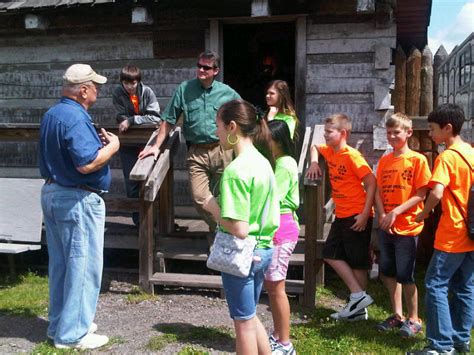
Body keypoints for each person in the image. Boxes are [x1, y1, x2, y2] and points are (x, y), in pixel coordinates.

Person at [39, 64, 120, 349]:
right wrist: (112, 147)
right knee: (83, 265)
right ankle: (73, 334)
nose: (97, 90)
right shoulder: (75, 117)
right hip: (77, 198)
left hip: (53, 192)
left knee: (61, 264)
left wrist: (96, 147)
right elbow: (86, 163)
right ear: (83, 90)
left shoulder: (53, 114)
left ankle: (60, 323)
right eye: (95, 86)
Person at [203, 99, 280, 354]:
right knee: (249, 314)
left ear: (232, 127)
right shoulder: (263, 162)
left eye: (218, 126)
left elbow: (239, 229)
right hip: (264, 250)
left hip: (243, 253)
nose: (216, 132)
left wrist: (214, 209)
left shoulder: (236, 171)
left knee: (243, 323)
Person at [139, 50, 240, 234]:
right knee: (199, 196)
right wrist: (156, 146)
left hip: (222, 150)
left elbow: (244, 116)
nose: (201, 70)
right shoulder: (184, 89)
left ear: (215, 70)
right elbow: (169, 119)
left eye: (206, 67)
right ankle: (222, 231)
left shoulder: (227, 92)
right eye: (199, 66)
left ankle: (220, 238)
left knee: (225, 197)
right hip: (196, 152)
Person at [410, 103, 473, 355]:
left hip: (453, 232)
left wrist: (423, 215)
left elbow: (436, 191)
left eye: (433, 129)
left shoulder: (447, 156)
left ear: (448, 129)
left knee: (436, 283)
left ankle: (440, 345)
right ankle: (461, 339)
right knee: (465, 286)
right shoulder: (470, 152)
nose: (430, 134)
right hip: (471, 231)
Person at [305, 113, 376, 321]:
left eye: (329, 132)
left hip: (356, 215)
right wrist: (314, 163)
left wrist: (364, 214)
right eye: (325, 131)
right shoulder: (331, 151)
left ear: (343, 133)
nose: (325, 136)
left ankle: (358, 306)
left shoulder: (351, 155)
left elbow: (371, 183)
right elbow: (314, 147)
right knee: (330, 253)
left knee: (357, 263)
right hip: (342, 214)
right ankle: (358, 298)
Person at [374, 113, 431, 337]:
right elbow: (377, 190)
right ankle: (397, 315)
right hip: (387, 226)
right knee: (388, 272)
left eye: (396, 132)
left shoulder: (417, 160)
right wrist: (381, 214)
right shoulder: (385, 160)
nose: (391, 136)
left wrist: (396, 211)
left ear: (408, 133)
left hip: (407, 227)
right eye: (388, 132)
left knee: (405, 275)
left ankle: (414, 318)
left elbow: (422, 193)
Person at [264, 120, 299, 355]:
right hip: (279, 227)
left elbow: (274, 196)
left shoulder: (285, 163)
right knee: (273, 286)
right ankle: (278, 335)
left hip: (282, 228)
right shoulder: (278, 161)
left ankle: (285, 344)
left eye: (266, 136)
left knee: (277, 288)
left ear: (276, 139)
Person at [112, 64, 160, 226]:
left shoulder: (147, 92)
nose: (130, 87)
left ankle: (154, 221)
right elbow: (120, 115)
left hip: (148, 143)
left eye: (133, 83)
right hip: (128, 143)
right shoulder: (118, 93)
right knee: (131, 183)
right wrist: (125, 120)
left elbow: (155, 117)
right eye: (126, 83)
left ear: (138, 82)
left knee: (150, 181)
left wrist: (132, 120)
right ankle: (139, 223)